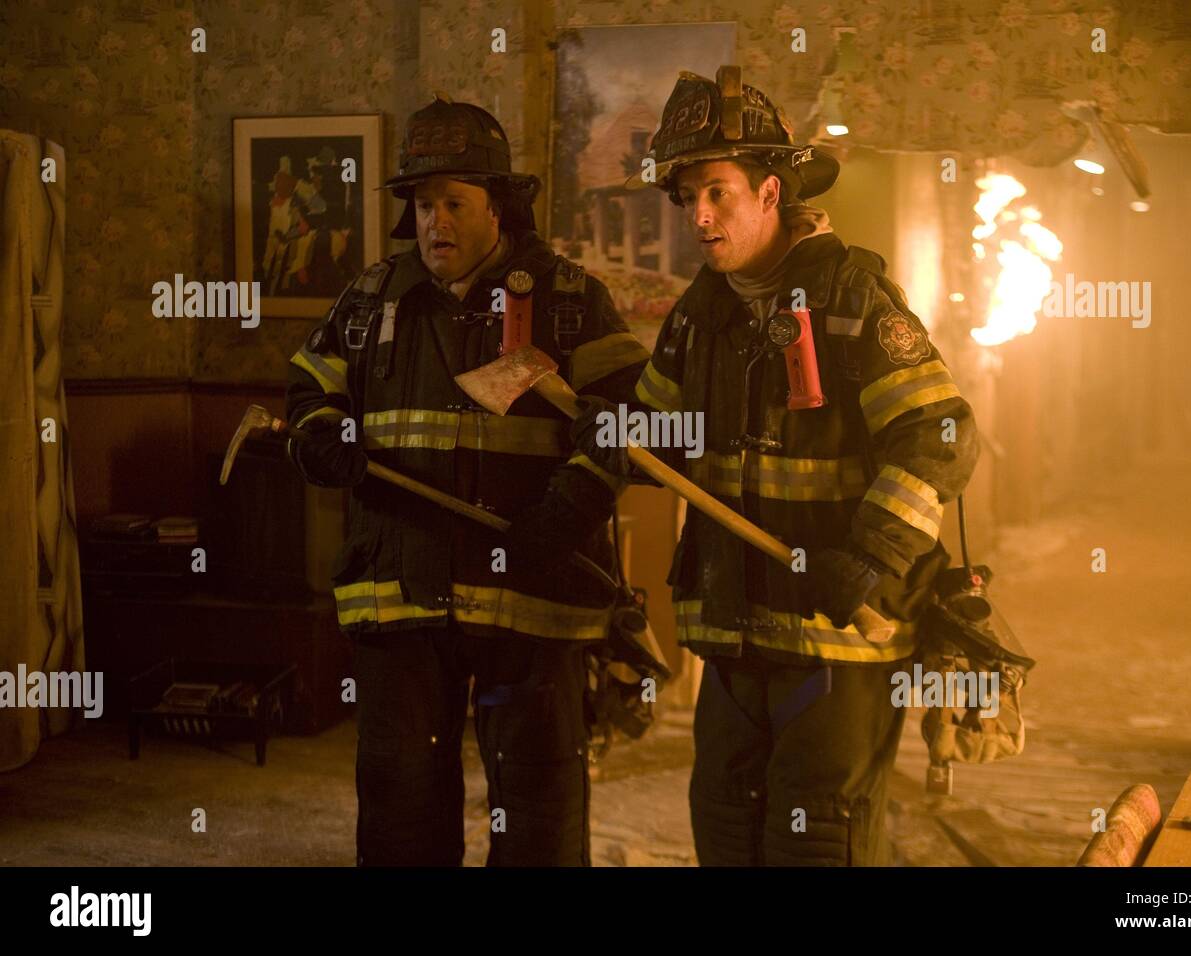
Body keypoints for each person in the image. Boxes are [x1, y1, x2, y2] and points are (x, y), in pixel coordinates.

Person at [572, 67, 981, 866]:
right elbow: (657, 432)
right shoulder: (704, 311)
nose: (699, 215)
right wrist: (610, 437)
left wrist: (871, 557)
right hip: (733, 633)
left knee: (816, 839)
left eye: (718, 193)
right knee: (726, 830)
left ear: (771, 192)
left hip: (839, 641)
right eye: (688, 196)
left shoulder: (853, 298)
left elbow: (939, 435)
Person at [284, 92, 649, 866]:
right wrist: (323, 437)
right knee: (401, 800)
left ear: (500, 209)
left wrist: (565, 512)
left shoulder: (572, 302)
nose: (435, 221)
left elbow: (627, 422)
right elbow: (309, 392)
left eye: (454, 201)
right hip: (399, 590)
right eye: (422, 203)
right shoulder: (369, 300)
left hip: (532, 593)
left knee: (538, 810)